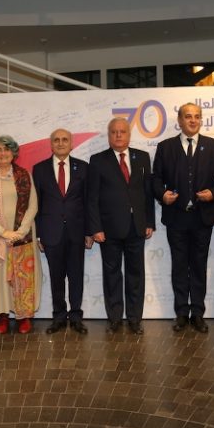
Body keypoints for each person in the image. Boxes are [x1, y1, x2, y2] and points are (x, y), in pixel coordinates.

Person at [152, 103, 214, 333]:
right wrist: (162, 195)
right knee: (179, 266)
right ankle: (181, 313)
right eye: (188, 116)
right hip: (176, 218)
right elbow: (155, 179)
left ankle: (197, 313)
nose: (193, 120)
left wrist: (213, 193)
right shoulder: (165, 147)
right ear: (180, 120)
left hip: (202, 218)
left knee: (198, 266)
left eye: (197, 116)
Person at [87, 118, 155, 335]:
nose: (118, 135)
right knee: (112, 275)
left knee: (136, 275)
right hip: (108, 230)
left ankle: (135, 319)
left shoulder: (142, 157)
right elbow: (92, 198)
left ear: (129, 134)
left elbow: (147, 193)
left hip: (136, 227)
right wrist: (95, 228)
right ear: (109, 135)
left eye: (122, 131)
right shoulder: (97, 160)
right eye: (114, 132)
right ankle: (114, 318)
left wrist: (149, 222)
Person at [0, 135, 41, 334]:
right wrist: (3, 232)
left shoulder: (24, 175)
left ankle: (24, 316)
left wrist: (20, 231)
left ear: (13, 152)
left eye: (6, 149)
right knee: (0, 278)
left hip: (23, 236)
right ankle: (3, 316)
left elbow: (33, 205)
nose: (3, 153)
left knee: (23, 276)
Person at [33, 129, 91, 335]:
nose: (60, 143)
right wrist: (38, 234)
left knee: (76, 277)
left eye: (64, 139)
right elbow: (36, 204)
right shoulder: (39, 169)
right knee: (56, 277)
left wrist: (89, 231)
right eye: (56, 140)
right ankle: (58, 316)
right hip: (51, 232)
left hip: (77, 231)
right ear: (51, 144)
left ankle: (76, 317)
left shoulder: (83, 167)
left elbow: (88, 202)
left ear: (71, 144)